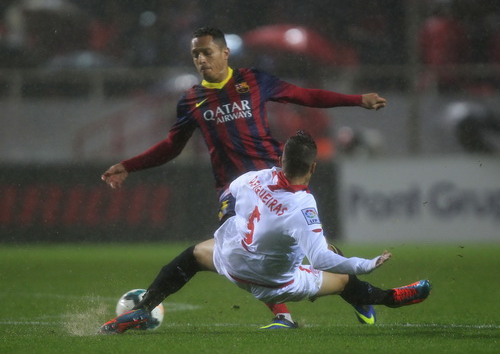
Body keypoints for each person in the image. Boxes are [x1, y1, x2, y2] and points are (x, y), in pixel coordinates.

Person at [101, 27, 387, 328]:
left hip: (277, 180)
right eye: (195, 54)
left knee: (317, 249)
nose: (201, 59)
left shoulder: (253, 81)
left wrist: (356, 100)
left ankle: (355, 294)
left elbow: (304, 96)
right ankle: (285, 316)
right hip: (233, 188)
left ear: (225, 53)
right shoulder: (192, 100)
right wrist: (130, 165)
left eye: (207, 52)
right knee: (244, 249)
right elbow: (172, 146)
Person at [99, 131, 431, 334]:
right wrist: (366, 263)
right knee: (342, 273)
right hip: (273, 283)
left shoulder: (254, 178)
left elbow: (227, 197)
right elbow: (321, 257)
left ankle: (145, 306)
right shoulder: (303, 205)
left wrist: (233, 224)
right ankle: (388, 299)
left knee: (194, 254)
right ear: (313, 167)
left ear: (281, 159)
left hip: (229, 258)